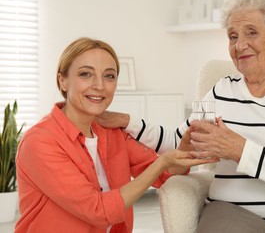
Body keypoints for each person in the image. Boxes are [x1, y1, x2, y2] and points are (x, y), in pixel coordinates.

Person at [96, 0, 265, 233]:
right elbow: (182, 141)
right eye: (233, 36)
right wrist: (128, 121)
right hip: (234, 209)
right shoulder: (221, 90)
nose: (239, 45)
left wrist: (239, 149)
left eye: (251, 33)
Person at [15, 37, 217, 233]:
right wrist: (162, 162)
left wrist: (185, 152)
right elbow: (98, 210)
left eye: (109, 76)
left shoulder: (111, 133)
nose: (99, 85)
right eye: (86, 74)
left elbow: (163, 174)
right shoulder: (40, 142)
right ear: (63, 81)